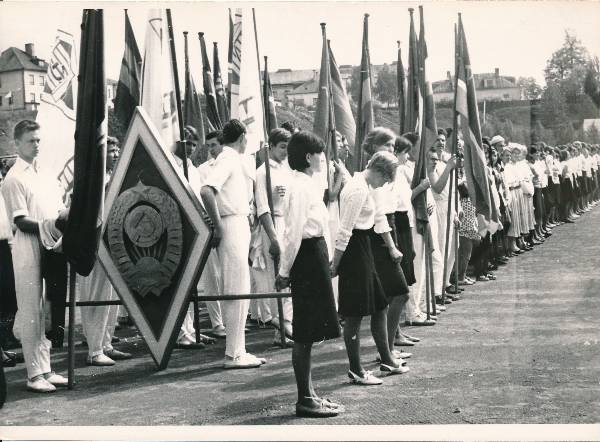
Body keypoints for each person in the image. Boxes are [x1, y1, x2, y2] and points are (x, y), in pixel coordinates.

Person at [275, 130, 343, 418]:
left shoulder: (308, 183)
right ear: (307, 157)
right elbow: (292, 235)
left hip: (314, 253)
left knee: (312, 330)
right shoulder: (300, 187)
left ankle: (311, 393)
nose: (323, 159)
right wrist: (284, 270)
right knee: (304, 331)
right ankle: (304, 398)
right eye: (320, 154)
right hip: (305, 256)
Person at [1, 120, 69, 392]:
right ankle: (33, 375)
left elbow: (58, 208)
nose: (37, 145)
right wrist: (50, 225)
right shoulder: (14, 178)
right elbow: (20, 220)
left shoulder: (47, 174)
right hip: (27, 244)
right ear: (16, 144)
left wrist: (59, 224)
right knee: (31, 310)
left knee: (47, 308)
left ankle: (46, 368)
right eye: (31, 141)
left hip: (50, 242)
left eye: (39, 140)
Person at [331, 150, 407, 386]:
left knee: (380, 305)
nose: (385, 184)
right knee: (354, 314)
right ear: (379, 171)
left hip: (364, 247)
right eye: (386, 179)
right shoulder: (358, 189)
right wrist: (336, 263)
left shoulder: (367, 186)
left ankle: (386, 358)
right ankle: (356, 369)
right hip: (354, 251)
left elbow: (377, 218)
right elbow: (345, 230)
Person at [200, 119, 266, 369]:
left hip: (238, 222)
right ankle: (233, 354)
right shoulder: (228, 159)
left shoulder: (234, 160)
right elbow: (207, 191)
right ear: (242, 138)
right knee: (235, 288)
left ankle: (238, 350)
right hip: (230, 223)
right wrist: (217, 226)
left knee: (240, 288)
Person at [79, 137, 133, 366]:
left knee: (110, 297)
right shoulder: (91, 176)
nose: (115, 153)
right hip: (92, 241)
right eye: (110, 150)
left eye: (116, 149)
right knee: (95, 296)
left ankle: (106, 344)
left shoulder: (113, 175)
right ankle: (94, 350)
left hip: (112, 240)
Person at [361, 128, 412, 361]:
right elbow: (379, 215)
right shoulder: (376, 175)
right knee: (398, 293)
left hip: (389, 225)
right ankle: (387, 350)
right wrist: (391, 246)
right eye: (388, 146)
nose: (392, 150)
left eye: (393, 146)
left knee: (394, 294)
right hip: (381, 234)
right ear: (374, 147)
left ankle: (391, 343)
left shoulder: (387, 171)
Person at [252, 128, 294, 344]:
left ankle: (285, 328)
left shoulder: (287, 170)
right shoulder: (262, 172)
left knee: (289, 276)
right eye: (282, 147)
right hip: (273, 225)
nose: (286, 151)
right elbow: (263, 208)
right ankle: (281, 325)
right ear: (272, 146)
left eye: (288, 147)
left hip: (288, 223)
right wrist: (274, 238)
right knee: (276, 277)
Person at [196, 130, 226, 339]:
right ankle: (217, 323)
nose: (211, 149)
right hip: (211, 225)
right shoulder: (202, 170)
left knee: (227, 275)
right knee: (212, 277)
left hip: (229, 222)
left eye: (214, 145)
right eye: (209, 146)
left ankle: (229, 320)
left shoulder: (230, 164)